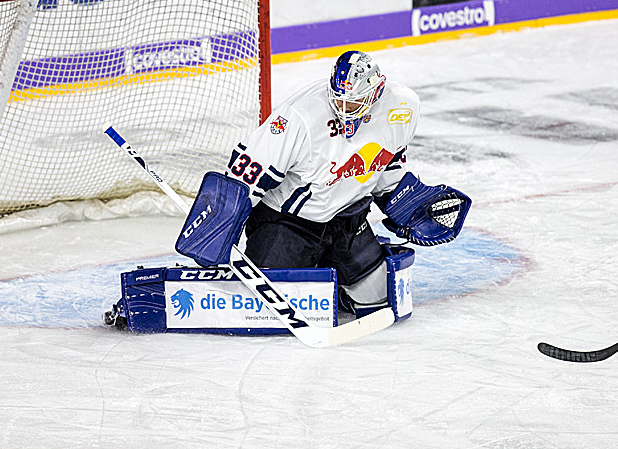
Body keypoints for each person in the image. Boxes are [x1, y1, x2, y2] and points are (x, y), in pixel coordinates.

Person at [178, 49, 470, 318]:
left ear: (376, 92)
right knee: (264, 311)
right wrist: (216, 229)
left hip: (348, 220)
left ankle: (333, 278)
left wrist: (404, 202)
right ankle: (307, 265)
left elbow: (385, 164)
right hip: (289, 223)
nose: (343, 108)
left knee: (376, 302)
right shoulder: (300, 116)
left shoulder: (403, 106)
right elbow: (247, 173)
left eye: (352, 102)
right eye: (338, 99)